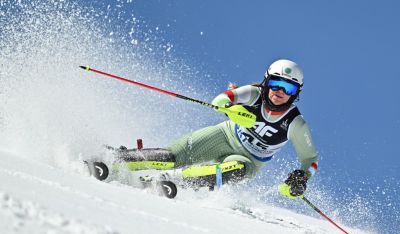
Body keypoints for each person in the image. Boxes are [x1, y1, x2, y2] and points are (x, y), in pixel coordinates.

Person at [97, 59, 318, 199]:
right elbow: (222, 99)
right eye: (274, 84)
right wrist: (230, 109)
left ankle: (170, 180)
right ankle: (114, 159)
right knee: (171, 156)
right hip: (223, 135)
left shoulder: (295, 124)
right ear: (265, 82)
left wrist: (302, 177)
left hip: (250, 161)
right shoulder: (254, 93)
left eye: (287, 87)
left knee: (235, 170)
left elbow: (311, 159)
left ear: (296, 93)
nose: (278, 91)